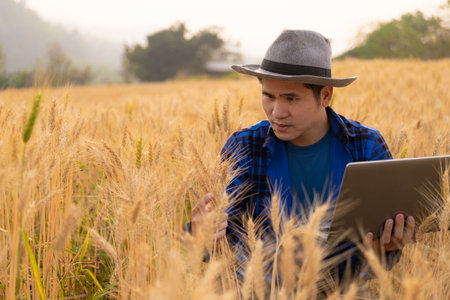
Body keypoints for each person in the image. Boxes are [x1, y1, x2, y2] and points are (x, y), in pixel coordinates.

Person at [188, 30, 415, 281]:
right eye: (268, 96)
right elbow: (219, 241)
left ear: (325, 96)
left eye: (291, 98)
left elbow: (383, 250)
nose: (276, 111)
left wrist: (388, 247)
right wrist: (202, 234)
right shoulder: (244, 146)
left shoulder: (366, 145)